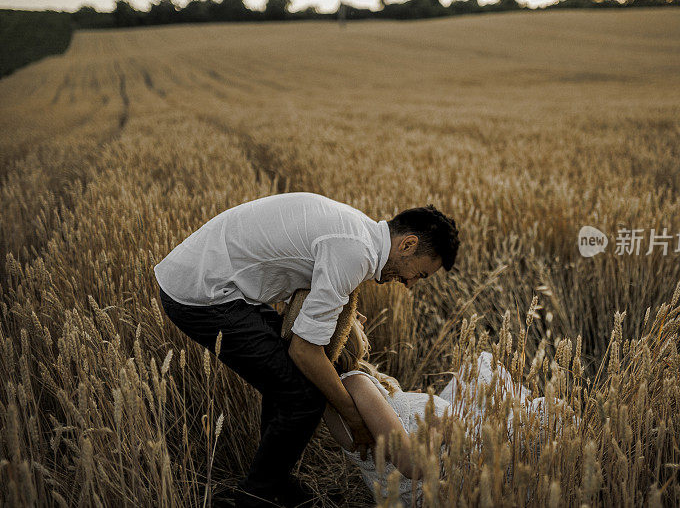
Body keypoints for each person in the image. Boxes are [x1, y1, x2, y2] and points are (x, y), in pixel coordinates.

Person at [153, 192, 460, 507]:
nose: (409, 284)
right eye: (419, 274)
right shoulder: (355, 251)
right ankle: (253, 498)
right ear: (408, 245)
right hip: (202, 292)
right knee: (304, 396)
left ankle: (274, 480)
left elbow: (302, 305)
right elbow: (304, 351)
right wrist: (353, 416)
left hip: (213, 280)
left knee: (288, 380)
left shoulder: (357, 232)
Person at [280, 290, 568, 507]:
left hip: (423, 478)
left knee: (478, 370)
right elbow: (410, 464)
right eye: (354, 314)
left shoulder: (330, 392)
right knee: (551, 413)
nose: (364, 318)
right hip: (443, 473)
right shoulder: (356, 385)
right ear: (340, 330)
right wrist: (440, 426)